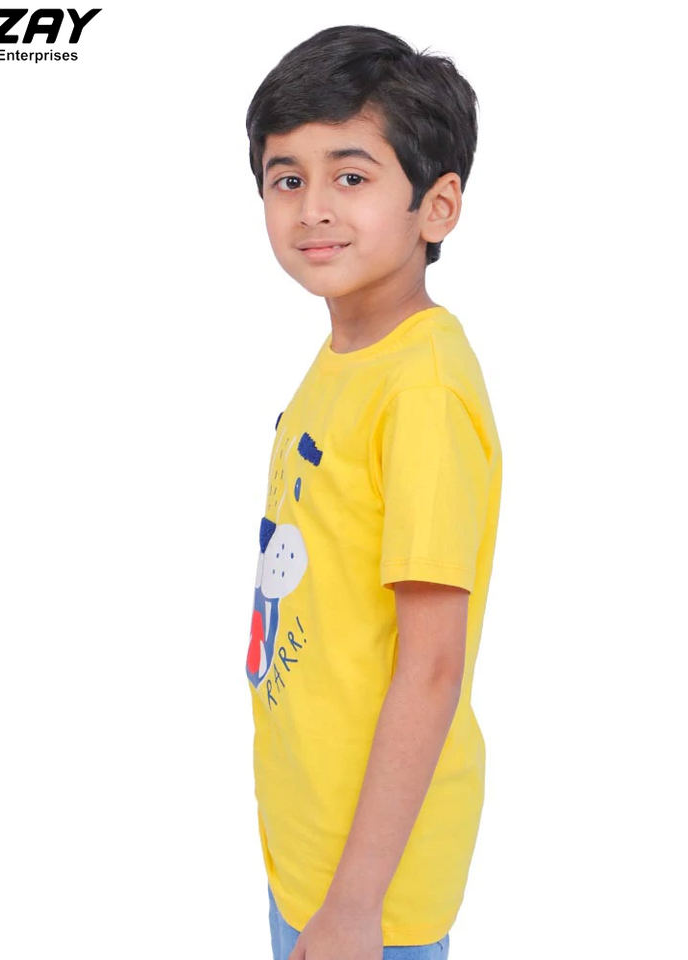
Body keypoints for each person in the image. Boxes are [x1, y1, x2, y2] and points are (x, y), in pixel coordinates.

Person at [243, 24, 502, 960]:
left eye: (351, 176)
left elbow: (432, 665)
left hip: (372, 892)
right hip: (314, 847)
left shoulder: (421, 390)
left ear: (437, 207)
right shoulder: (350, 354)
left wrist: (356, 904)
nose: (314, 208)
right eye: (287, 178)